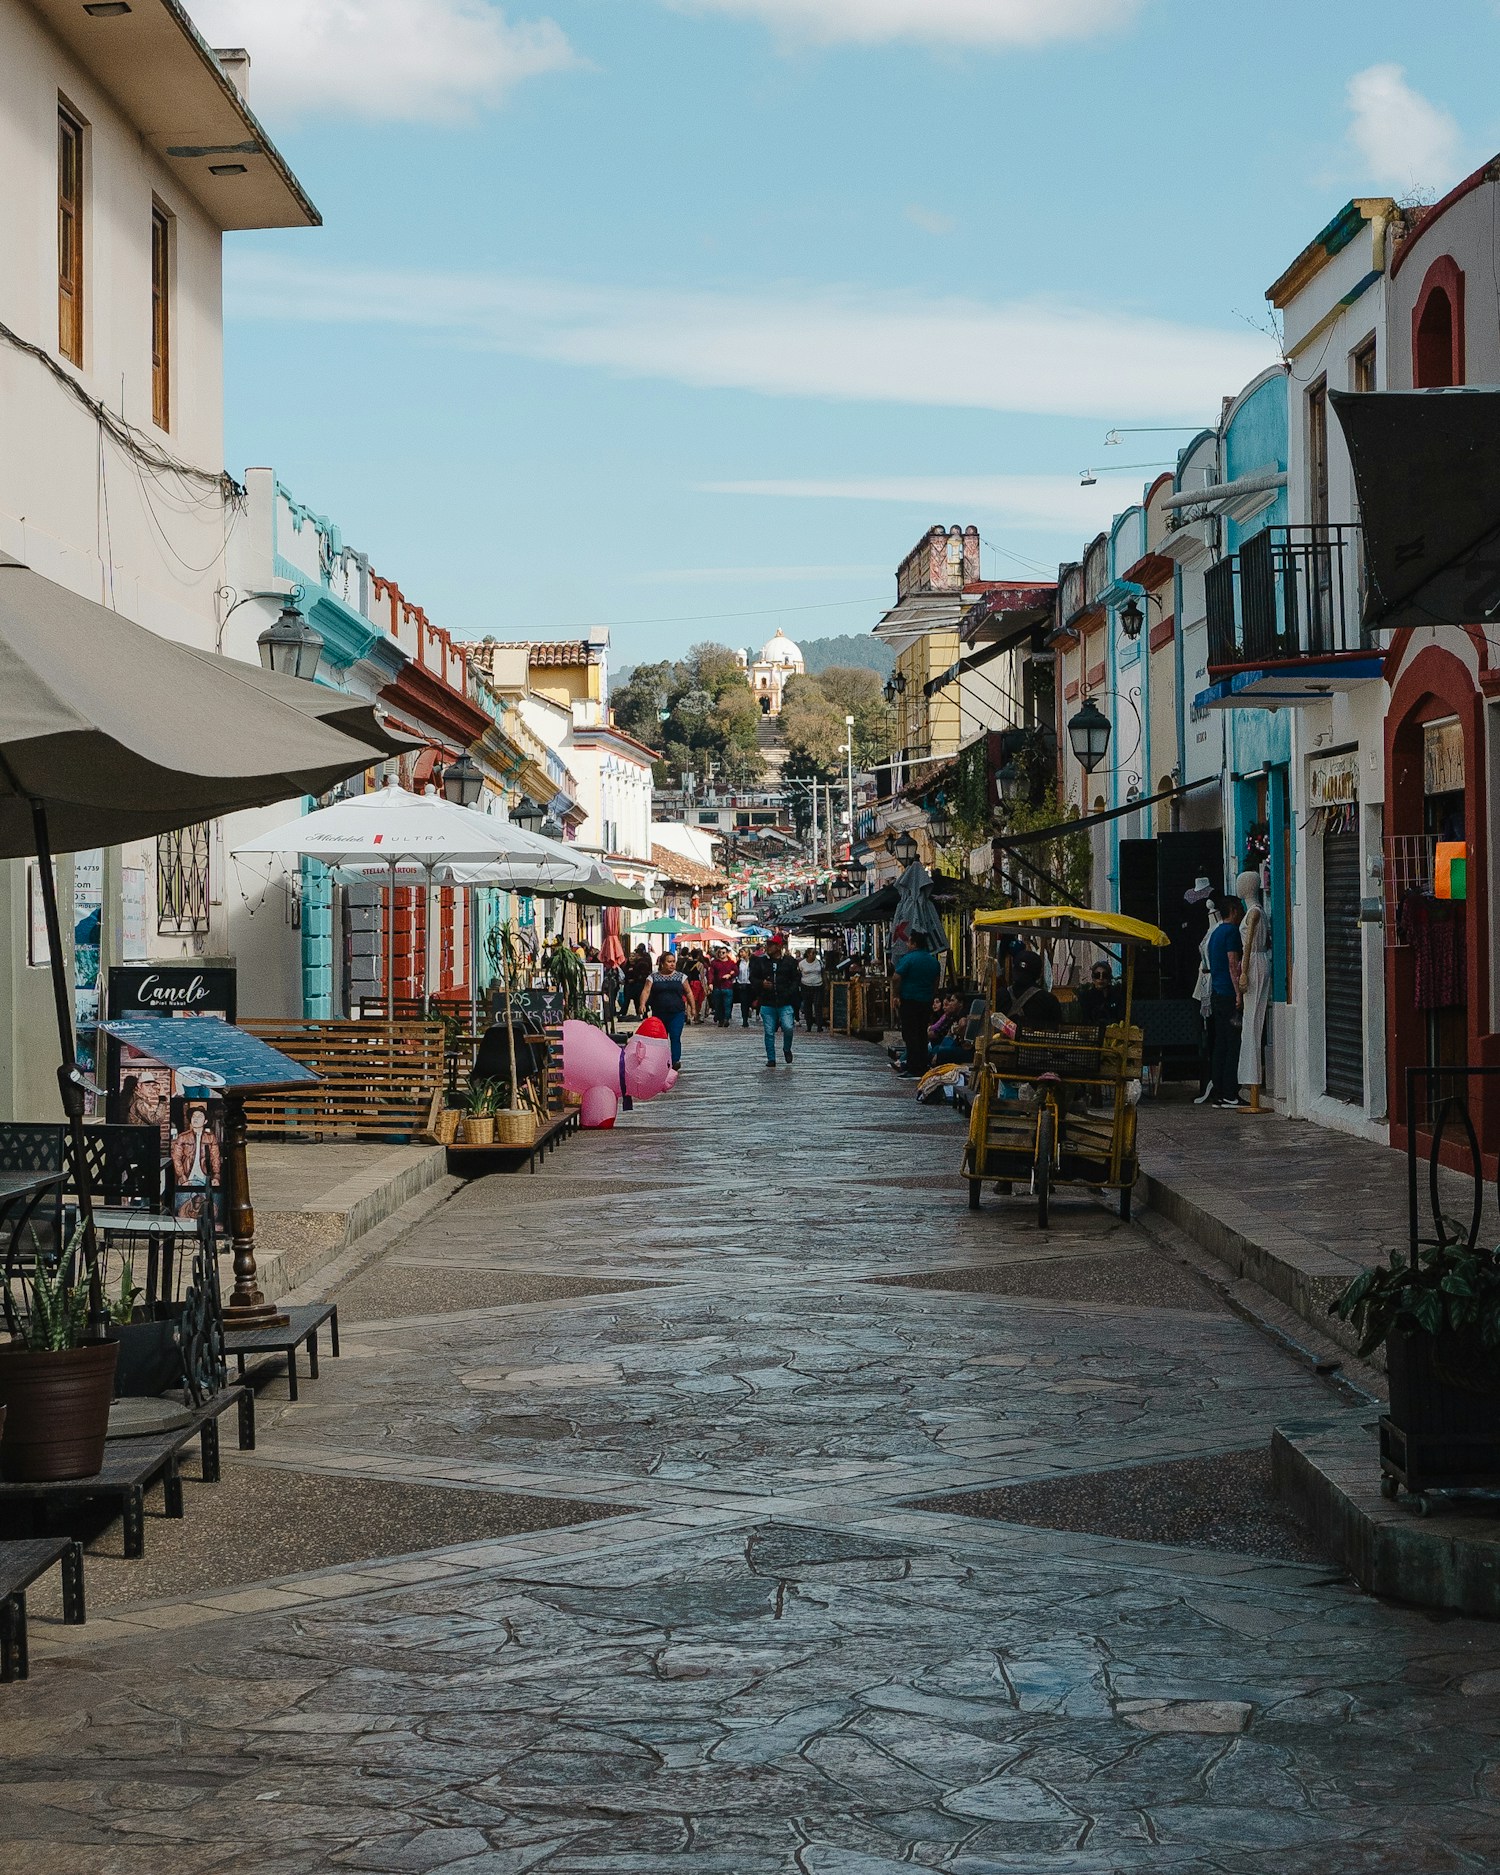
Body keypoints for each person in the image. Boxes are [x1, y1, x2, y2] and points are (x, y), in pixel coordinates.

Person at [1204, 894, 1245, 1108]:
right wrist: (1238, 993)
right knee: (1233, 1044)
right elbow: (1232, 963)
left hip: (1217, 994)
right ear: (1235, 910)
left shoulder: (1216, 933)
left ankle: (1219, 1091)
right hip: (1229, 994)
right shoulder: (1231, 932)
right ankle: (1231, 1092)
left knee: (1220, 1044)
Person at [893, 934, 942, 1077]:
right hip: (925, 1001)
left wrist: (896, 994)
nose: (907, 945)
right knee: (922, 1033)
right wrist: (932, 995)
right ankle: (922, 1065)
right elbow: (936, 980)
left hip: (909, 1000)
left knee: (910, 1034)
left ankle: (913, 1066)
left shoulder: (908, 958)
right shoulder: (933, 961)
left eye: (909, 942)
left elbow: (896, 977)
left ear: (914, 943)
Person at [757, 940, 801, 1066]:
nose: (767, 948)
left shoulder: (789, 961)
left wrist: (789, 992)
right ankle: (771, 1058)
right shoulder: (761, 962)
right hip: (767, 1002)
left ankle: (786, 1049)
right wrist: (761, 984)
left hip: (785, 1002)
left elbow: (796, 979)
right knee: (769, 1031)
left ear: (778, 947)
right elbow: (753, 977)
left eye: (771, 945)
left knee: (788, 1027)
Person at [646, 950, 690, 1070]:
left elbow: (688, 992)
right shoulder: (653, 977)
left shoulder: (681, 977)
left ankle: (675, 1061)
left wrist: (693, 1008)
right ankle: (662, 1060)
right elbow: (646, 991)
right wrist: (642, 1004)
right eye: (669, 962)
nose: (672, 964)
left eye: (673, 962)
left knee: (675, 1036)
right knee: (661, 1038)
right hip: (659, 1013)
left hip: (677, 1012)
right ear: (662, 964)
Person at [1076, 960, 1124, 1027]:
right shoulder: (1086, 997)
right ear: (1093, 978)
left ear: (1109, 978)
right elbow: (1085, 1019)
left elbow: (1120, 1017)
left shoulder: (1116, 995)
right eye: (1097, 975)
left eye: (1104, 975)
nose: (1101, 978)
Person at [798, 947, 825, 1032]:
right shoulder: (802, 963)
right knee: (807, 1006)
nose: (813, 955)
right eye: (812, 953)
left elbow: (823, 973)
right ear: (808, 954)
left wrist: (826, 984)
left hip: (818, 985)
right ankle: (809, 1025)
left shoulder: (819, 963)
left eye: (815, 953)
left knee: (817, 1005)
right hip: (806, 986)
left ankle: (819, 1025)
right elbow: (799, 974)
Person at [708, 948, 737, 1027]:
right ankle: (720, 1019)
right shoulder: (714, 963)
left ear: (727, 953)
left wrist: (730, 975)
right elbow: (711, 973)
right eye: (720, 952)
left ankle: (726, 1019)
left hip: (728, 986)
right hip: (717, 986)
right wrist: (710, 983)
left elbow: (736, 971)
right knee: (718, 1004)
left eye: (723, 952)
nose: (721, 954)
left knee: (727, 1004)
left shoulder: (731, 963)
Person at [624, 944, 652, 1019]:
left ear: (637, 954)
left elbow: (638, 974)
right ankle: (642, 1013)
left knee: (637, 999)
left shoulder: (640, 963)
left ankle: (640, 1013)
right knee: (640, 999)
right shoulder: (647, 959)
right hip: (643, 982)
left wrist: (634, 979)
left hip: (638, 983)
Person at [734, 947, 756, 1027]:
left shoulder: (753, 962)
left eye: (742, 952)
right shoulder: (739, 962)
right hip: (742, 984)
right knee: (743, 1002)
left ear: (747, 953)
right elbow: (736, 972)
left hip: (751, 984)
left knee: (750, 1001)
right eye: (740, 952)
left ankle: (750, 1009)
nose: (741, 954)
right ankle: (745, 1020)